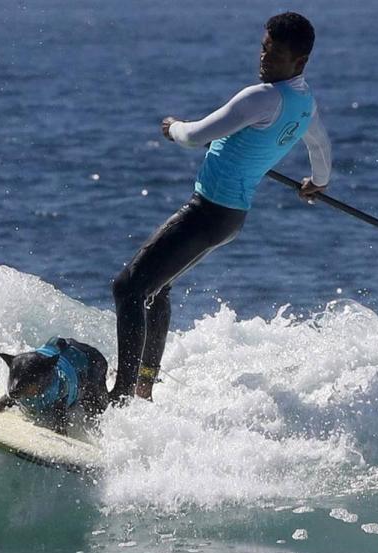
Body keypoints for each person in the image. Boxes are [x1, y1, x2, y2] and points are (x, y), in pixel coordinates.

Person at [111, 12, 332, 403]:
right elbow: (318, 145)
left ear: (299, 62)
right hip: (229, 218)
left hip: (207, 213)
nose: (264, 59)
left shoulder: (261, 97)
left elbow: (196, 136)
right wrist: (318, 182)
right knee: (156, 287)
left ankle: (119, 398)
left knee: (127, 288)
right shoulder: (304, 103)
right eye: (264, 49)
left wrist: (173, 127)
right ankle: (144, 385)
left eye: (276, 55)